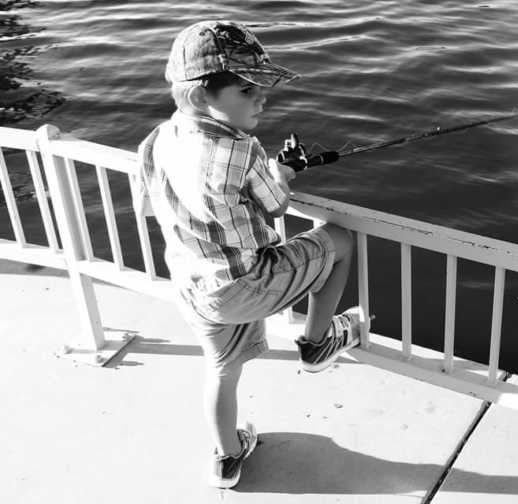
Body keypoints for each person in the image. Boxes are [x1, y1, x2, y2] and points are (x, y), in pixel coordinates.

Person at [134, 20, 367, 489]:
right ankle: (318, 344)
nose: (262, 98)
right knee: (341, 243)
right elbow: (277, 204)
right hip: (248, 281)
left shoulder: (159, 139)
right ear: (203, 97)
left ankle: (227, 457)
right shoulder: (241, 151)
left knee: (222, 369)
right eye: (247, 89)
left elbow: (144, 203)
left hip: (194, 285)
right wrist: (282, 172)